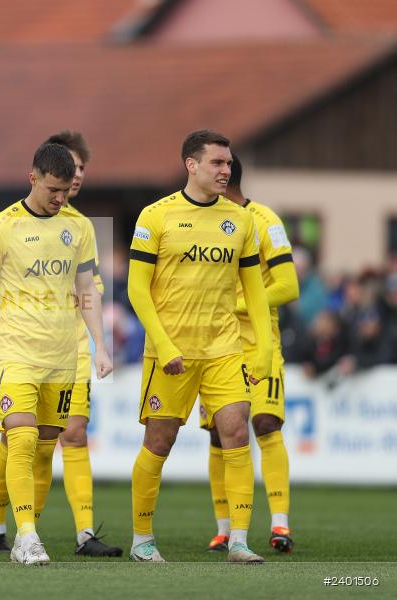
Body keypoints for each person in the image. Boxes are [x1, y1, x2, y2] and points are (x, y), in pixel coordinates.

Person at [127, 130, 271, 563]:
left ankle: (239, 540)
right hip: (170, 353)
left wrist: (261, 349)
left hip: (224, 348)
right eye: (217, 163)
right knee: (160, 440)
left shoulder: (241, 221)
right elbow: (137, 289)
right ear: (191, 165)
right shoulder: (156, 216)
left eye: (228, 164)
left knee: (235, 429)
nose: (226, 170)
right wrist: (164, 344)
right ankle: (141, 540)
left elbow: (256, 292)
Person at [0, 143, 112, 565]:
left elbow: (87, 292)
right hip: (15, 354)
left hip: (63, 358)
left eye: (66, 190)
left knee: (46, 447)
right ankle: (26, 535)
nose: (60, 198)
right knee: (22, 437)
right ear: (33, 178)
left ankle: (23, 532)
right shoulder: (3, 227)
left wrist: (100, 346)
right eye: (53, 189)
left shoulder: (79, 227)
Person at [198, 155, 299, 554]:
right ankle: (224, 529)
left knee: (266, 424)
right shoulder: (201, 221)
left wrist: (239, 304)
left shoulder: (265, 220)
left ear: (226, 177)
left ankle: (280, 526)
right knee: (220, 437)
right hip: (215, 346)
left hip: (259, 343)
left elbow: (288, 286)